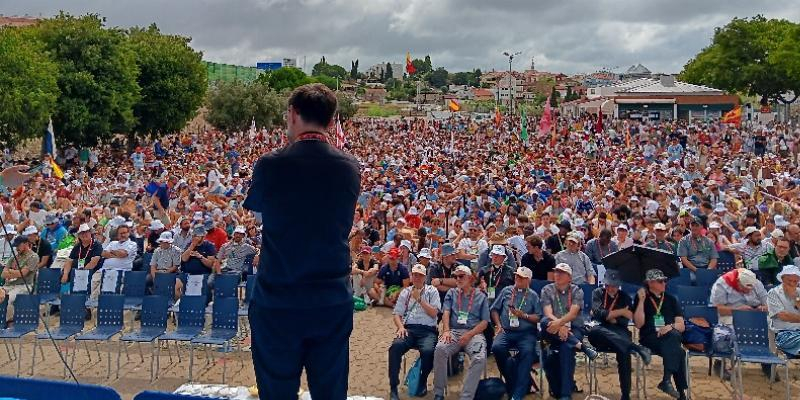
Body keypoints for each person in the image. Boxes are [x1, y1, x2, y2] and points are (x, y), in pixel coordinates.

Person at [244, 84, 361, 400]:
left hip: (278, 299)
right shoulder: (349, 167)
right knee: (330, 392)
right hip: (330, 299)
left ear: (294, 114)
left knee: (277, 393)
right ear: (331, 118)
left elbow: (258, 211)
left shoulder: (271, 164)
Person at [587, 269, 652, 400]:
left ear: (619, 285)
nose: (611, 288)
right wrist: (620, 311)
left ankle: (626, 395)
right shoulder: (597, 293)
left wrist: (608, 316)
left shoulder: (625, 297)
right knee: (594, 330)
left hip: (619, 331)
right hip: (600, 332)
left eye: (614, 285)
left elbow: (623, 321)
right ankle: (637, 347)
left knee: (624, 351)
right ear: (604, 284)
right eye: (608, 285)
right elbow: (598, 313)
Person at [540, 263, 598, 400]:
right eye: (556, 272)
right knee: (544, 323)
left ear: (569, 277)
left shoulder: (577, 291)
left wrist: (561, 325)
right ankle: (582, 346)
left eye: (561, 273)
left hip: (573, 329)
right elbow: (547, 312)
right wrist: (561, 326)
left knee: (566, 349)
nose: (557, 275)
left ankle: (566, 394)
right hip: (552, 329)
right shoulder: (547, 289)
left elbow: (573, 314)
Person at [432, 265, 489, 400]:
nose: (457, 279)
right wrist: (446, 330)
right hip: (454, 332)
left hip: (474, 334)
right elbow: (446, 312)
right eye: (455, 276)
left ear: (469, 278)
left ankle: (466, 396)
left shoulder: (481, 296)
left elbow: (485, 322)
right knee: (440, 349)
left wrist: (469, 335)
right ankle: (439, 393)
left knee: (479, 358)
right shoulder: (451, 293)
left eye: (461, 276)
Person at [388, 264, 441, 399]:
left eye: (420, 275)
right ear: (411, 276)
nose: (417, 277)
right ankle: (393, 387)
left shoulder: (432, 291)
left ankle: (422, 381)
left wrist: (419, 299)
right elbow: (397, 314)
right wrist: (400, 327)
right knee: (395, 347)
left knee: (429, 351)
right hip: (409, 329)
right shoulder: (405, 292)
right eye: (415, 275)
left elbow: (434, 313)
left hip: (428, 330)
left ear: (425, 277)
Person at [633, 269, 688, 400]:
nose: (664, 283)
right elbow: (638, 325)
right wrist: (640, 302)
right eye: (660, 281)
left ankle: (668, 381)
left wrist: (669, 327)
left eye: (665, 280)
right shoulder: (642, 298)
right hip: (650, 338)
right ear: (650, 283)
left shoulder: (671, 299)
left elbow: (681, 326)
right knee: (678, 350)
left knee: (677, 346)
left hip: (669, 337)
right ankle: (679, 392)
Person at [490, 267, 542, 400]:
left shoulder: (533, 295)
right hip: (505, 331)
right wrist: (498, 325)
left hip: (526, 333)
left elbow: (539, 317)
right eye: (516, 276)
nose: (517, 279)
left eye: (521, 277)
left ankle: (517, 394)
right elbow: (494, 310)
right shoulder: (506, 291)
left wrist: (523, 315)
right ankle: (516, 383)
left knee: (528, 352)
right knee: (496, 347)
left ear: (528, 280)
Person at [0, 237, 40, 322]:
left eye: (18, 246)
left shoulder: (33, 257)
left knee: (10, 298)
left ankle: (7, 322)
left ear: (25, 244)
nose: (16, 248)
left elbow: (22, 274)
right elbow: (3, 274)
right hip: (9, 285)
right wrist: (14, 272)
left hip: (24, 285)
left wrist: (10, 271)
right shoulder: (14, 257)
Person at [95, 224, 138, 300]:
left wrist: (111, 252)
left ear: (128, 233)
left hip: (121, 272)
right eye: (120, 233)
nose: (122, 235)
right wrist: (117, 254)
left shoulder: (132, 244)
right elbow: (103, 253)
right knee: (92, 284)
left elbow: (123, 254)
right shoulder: (113, 243)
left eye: (124, 233)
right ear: (117, 235)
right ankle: (92, 307)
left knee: (109, 293)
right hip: (103, 271)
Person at [767, 265, 800, 357]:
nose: (792, 284)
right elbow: (783, 316)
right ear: (782, 279)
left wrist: (795, 298)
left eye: (795, 281)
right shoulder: (773, 293)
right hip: (783, 335)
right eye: (789, 280)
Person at [150, 231, 183, 299]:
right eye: (162, 241)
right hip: (158, 272)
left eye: (166, 242)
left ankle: (175, 302)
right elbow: (153, 266)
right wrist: (154, 277)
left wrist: (164, 274)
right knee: (146, 280)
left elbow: (175, 266)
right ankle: (151, 299)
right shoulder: (157, 251)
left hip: (172, 272)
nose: (164, 243)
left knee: (175, 284)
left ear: (170, 242)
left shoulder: (177, 250)